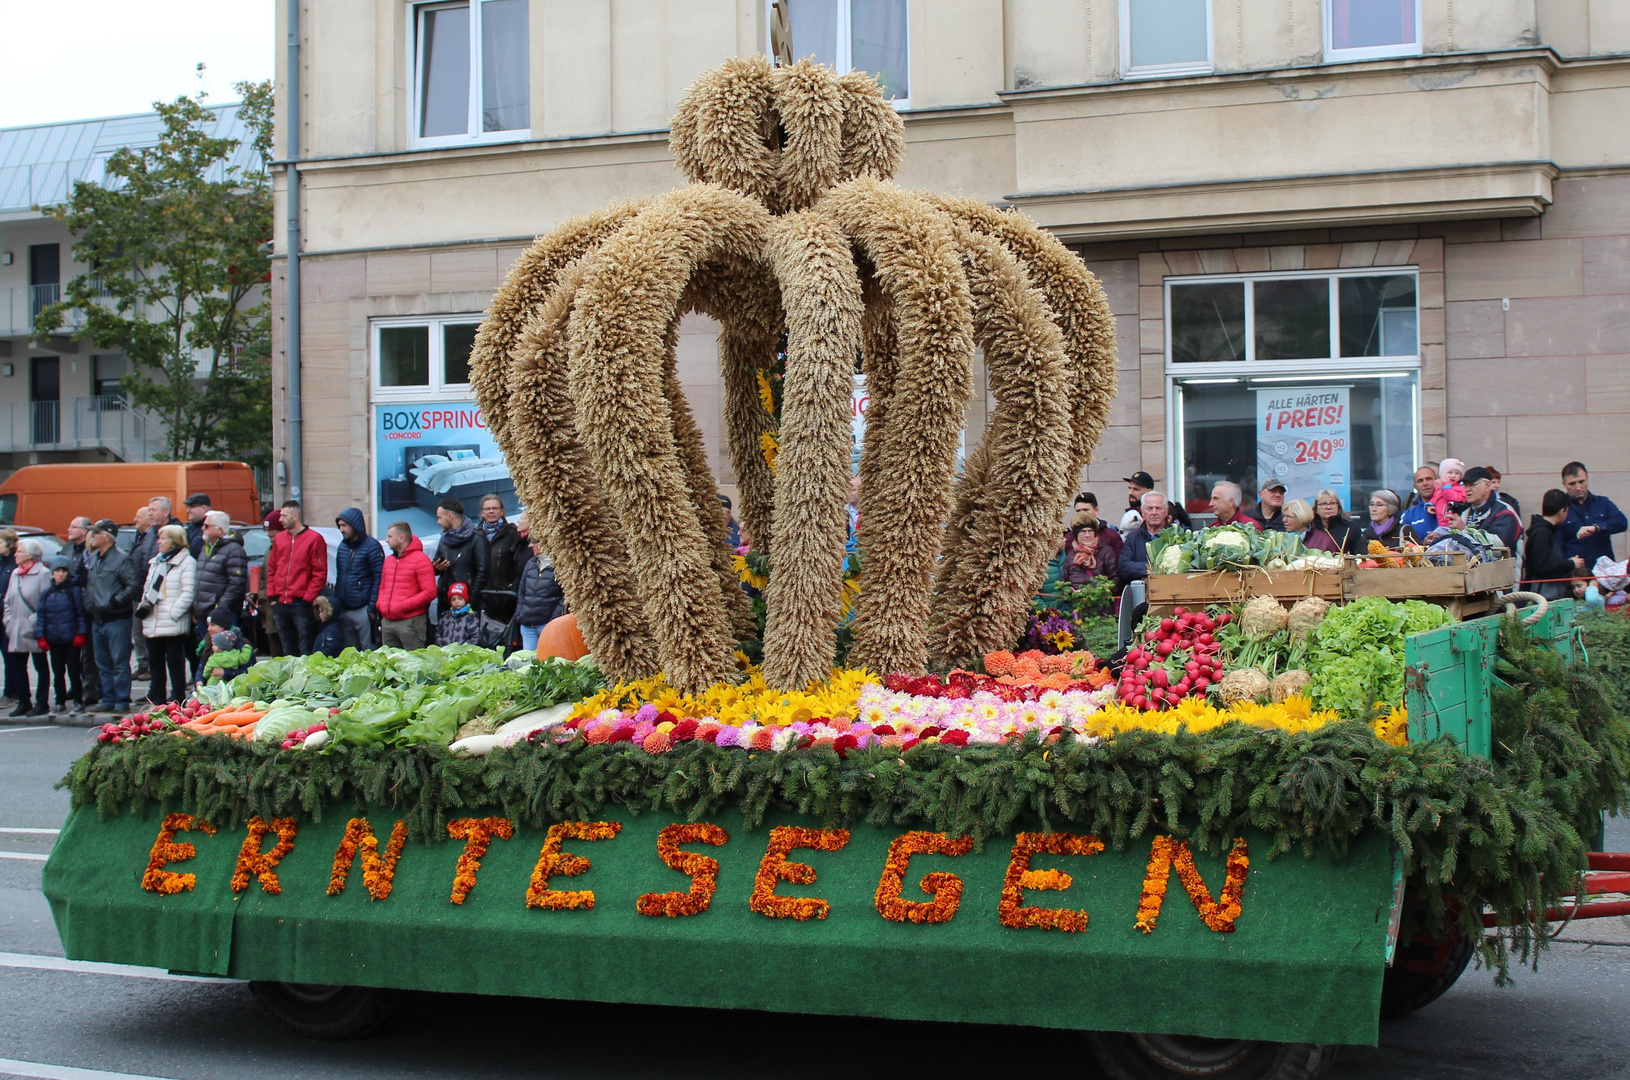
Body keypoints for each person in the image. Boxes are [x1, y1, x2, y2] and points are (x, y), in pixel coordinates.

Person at [83, 520, 139, 716]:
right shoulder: (94, 558)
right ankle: (108, 699)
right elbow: (90, 585)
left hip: (116, 618)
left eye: (96, 533)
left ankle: (121, 700)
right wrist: (89, 604)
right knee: (103, 662)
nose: (92, 537)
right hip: (98, 617)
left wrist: (113, 603)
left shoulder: (121, 559)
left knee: (119, 661)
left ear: (107, 536)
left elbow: (132, 585)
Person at [139, 524, 197, 707]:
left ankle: (178, 700)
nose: (159, 541)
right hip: (153, 620)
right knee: (155, 664)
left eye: (163, 538)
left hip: (172, 623)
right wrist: (144, 606)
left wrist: (174, 613)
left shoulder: (187, 562)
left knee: (175, 664)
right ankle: (158, 701)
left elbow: (188, 592)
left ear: (173, 541)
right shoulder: (156, 561)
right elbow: (147, 588)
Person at [265, 499, 326, 656]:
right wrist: (272, 596)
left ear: (295, 516)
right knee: (287, 648)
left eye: (284, 516)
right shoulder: (280, 539)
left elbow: (319, 572)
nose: (280, 519)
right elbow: (272, 568)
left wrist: (307, 599)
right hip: (280, 601)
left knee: (305, 647)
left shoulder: (313, 539)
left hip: (300, 602)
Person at [191, 511, 248, 673]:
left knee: (224, 653)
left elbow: (236, 583)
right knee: (207, 652)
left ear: (219, 529)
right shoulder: (206, 548)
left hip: (221, 614)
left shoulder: (233, 550)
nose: (202, 528)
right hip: (204, 611)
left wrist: (220, 607)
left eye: (206, 526)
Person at [3, 540, 52, 716]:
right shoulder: (15, 573)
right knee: (18, 666)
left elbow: (46, 602)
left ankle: (42, 702)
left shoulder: (43, 573)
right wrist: (8, 620)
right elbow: (8, 600)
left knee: (40, 665)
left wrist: (32, 622)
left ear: (30, 555)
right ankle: (24, 701)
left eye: (20, 551)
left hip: (34, 628)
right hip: (15, 626)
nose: (15, 554)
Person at [37, 556, 88, 713]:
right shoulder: (47, 593)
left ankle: (79, 700)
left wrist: (81, 633)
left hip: (71, 639)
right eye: (57, 571)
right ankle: (59, 701)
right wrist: (41, 636)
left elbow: (81, 614)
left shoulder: (74, 591)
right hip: (54, 639)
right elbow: (41, 616)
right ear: (52, 573)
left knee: (74, 671)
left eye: (63, 571)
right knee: (58, 672)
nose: (60, 574)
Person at [377, 522, 437, 650]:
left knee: (413, 663)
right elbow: (382, 587)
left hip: (410, 621)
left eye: (389, 536)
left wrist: (404, 606)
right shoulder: (389, 561)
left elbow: (430, 591)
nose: (386, 540)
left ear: (401, 538)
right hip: (388, 621)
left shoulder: (420, 559)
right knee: (389, 663)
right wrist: (380, 604)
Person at [333, 508, 384, 651]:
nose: (341, 530)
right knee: (349, 652)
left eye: (344, 526)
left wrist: (372, 607)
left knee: (369, 650)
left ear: (354, 525)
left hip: (363, 608)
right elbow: (340, 576)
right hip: (345, 608)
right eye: (340, 526)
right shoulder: (342, 547)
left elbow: (379, 578)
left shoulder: (372, 546)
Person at [1560, 461, 1627, 567]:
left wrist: (1597, 528)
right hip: (1576, 574)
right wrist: (1567, 565)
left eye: (1581, 481)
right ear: (1564, 485)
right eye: (1572, 484)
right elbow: (1558, 545)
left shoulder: (1602, 503)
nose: (1578, 487)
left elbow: (1622, 522)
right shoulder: (1561, 508)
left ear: (1587, 479)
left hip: (1603, 572)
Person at [66, 514, 102, 707]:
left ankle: (93, 690)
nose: (68, 530)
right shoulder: (70, 549)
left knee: (92, 653)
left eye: (73, 527)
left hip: (91, 608)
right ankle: (80, 686)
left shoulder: (90, 554)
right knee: (80, 653)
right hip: (76, 607)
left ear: (84, 531)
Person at [1526, 489, 1585, 601]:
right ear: (1563, 511)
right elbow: (1543, 567)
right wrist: (1571, 564)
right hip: (1541, 596)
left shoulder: (1547, 531)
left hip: (1545, 594)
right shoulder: (1542, 533)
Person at [432, 498, 489, 614]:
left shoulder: (477, 538)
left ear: (450, 517)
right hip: (445, 602)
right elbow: (435, 566)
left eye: (439, 517)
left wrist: (470, 600)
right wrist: (436, 568)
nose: (438, 522)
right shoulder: (444, 539)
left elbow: (483, 572)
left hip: (467, 604)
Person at [476, 495, 523, 624]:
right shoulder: (475, 535)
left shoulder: (513, 534)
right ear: (482, 512)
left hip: (505, 598)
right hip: (481, 597)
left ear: (502, 511)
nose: (491, 511)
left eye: (495, 508)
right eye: (487, 509)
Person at [515, 539, 566, 652]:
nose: (530, 545)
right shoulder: (530, 563)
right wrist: (519, 615)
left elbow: (564, 596)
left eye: (534, 542)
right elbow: (522, 591)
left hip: (547, 624)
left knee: (546, 661)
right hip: (527, 623)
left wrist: (553, 620)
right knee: (528, 662)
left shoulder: (560, 566)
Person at [1461, 466, 1522, 552]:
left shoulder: (1504, 511)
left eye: (1472, 484)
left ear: (1487, 485)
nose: (1467, 489)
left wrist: (1464, 530)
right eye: (1465, 485)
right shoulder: (1464, 512)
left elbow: (1500, 545)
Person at [1062, 509, 1123, 589]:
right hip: (1076, 600)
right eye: (1083, 531)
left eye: (1090, 531)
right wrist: (1069, 592)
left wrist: (1097, 592)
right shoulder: (1071, 556)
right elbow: (1063, 583)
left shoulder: (1106, 552)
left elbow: (1116, 579)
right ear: (1076, 535)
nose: (1087, 535)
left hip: (1101, 600)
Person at [1118, 492, 1171, 582]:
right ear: (1142, 512)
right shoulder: (1133, 537)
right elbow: (1123, 567)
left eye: (1158, 508)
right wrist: (1152, 568)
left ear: (1166, 511)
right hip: (1141, 592)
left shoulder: (1177, 536)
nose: (1154, 512)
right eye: (1149, 508)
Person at [129, 505, 154, 681]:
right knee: (137, 632)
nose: (134, 520)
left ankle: (148, 665)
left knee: (144, 632)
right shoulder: (138, 538)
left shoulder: (150, 539)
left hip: (145, 594)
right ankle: (143, 664)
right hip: (136, 593)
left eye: (139, 516)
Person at [1124, 471, 1191, 531]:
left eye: (1136, 489)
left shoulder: (1168, 509)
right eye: (1130, 488)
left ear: (1149, 491)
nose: (1130, 492)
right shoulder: (1130, 512)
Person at [1305, 490, 1362, 555]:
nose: (1328, 507)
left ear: (1338, 506)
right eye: (1323, 504)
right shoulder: (1309, 528)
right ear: (1316, 508)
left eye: (1332, 503)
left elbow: (1358, 556)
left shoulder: (1351, 528)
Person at [0, 530, 18, 708]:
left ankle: (11, 692)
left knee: (10, 655)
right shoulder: (2, 563)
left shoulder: (13, 565)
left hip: (8, 615)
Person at [1399, 466, 1438, 541]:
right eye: (1420, 481)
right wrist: (1422, 545)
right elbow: (1403, 545)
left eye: (1429, 479)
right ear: (1415, 487)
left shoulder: (1450, 507)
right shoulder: (1408, 515)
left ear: (1437, 481)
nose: (1425, 483)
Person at [1429, 459, 1467, 526]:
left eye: (1457, 473)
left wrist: (1446, 485)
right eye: (1450, 473)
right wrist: (1430, 505)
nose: (1453, 476)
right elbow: (1435, 497)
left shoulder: (1460, 488)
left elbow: (1453, 497)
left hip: (1452, 522)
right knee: (1434, 535)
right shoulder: (1440, 488)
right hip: (1441, 522)